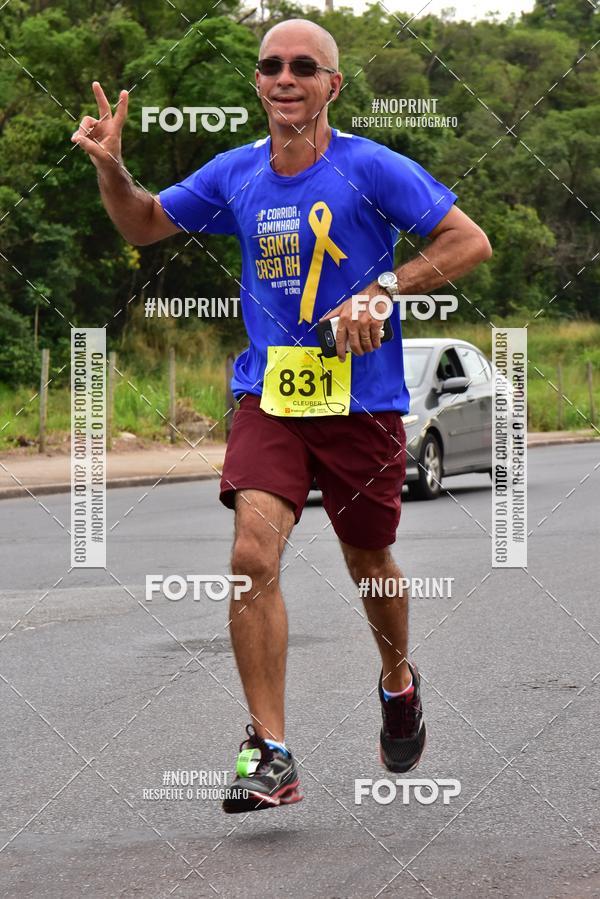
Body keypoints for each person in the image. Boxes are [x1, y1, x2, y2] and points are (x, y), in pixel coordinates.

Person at [72, 18, 491, 815]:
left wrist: (383, 288)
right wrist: (112, 169)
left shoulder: (370, 166)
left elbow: (468, 239)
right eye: (271, 65)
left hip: (360, 400)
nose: (286, 76)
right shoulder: (236, 174)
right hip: (268, 396)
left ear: (334, 85)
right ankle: (270, 749)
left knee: (369, 562)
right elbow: (143, 221)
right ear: (258, 83)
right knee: (250, 554)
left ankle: (398, 680)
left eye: (305, 66)